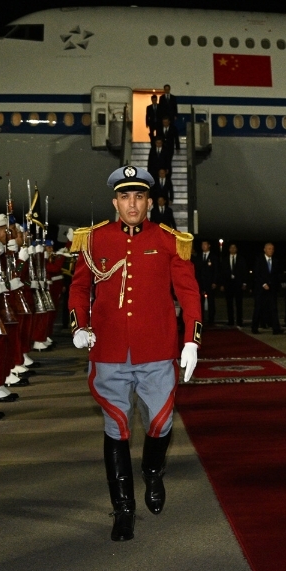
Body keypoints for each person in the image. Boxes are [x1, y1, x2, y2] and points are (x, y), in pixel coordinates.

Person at [68, 165, 201, 542]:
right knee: (116, 426)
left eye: (139, 197)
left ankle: (153, 472)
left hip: (157, 349)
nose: (132, 204)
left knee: (160, 424)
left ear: (148, 203)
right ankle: (123, 509)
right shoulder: (93, 240)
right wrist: (79, 325)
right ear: (115, 202)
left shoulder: (169, 240)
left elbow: (188, 293)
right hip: (108, 350)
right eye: (125, 197)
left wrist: (191, 339)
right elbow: (79, 289)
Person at [251, 242, 282, 334]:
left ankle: (276, 328)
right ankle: (254, 327)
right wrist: (263, 284)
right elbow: (257, 274)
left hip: (272, 289)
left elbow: (276, 275)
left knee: (273, 308)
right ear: (264, 249)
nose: (271, 250)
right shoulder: (259, 260)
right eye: (269, 248)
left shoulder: (275, 261)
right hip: (261, 289)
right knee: (258, 308)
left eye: (272, 249)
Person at [219, 243, 247, 326]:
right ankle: (230, 321)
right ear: (229, 249)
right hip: (228, 284)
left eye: (234, 247)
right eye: (231, 247)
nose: (233, 249)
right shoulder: (225, 260)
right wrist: (222, 284)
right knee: (229, 304)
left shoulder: (241, 259)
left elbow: (244, 271)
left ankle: (239, 321)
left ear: (236, 249)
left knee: (239, 304)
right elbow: (222, 273)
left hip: (238, 284)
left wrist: (244, 283)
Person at [194, 239, 217, 325]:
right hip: (200, 283)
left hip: (210, 283)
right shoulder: (198, 257)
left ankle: (211, 320)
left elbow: (216, 270)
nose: (203, 246)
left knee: (211, 302)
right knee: (200, 302)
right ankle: (201, 320)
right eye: (202, 245)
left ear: (209, 245)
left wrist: (214, 282)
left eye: (205, 244)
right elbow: (196, 270)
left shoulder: (213, 257)